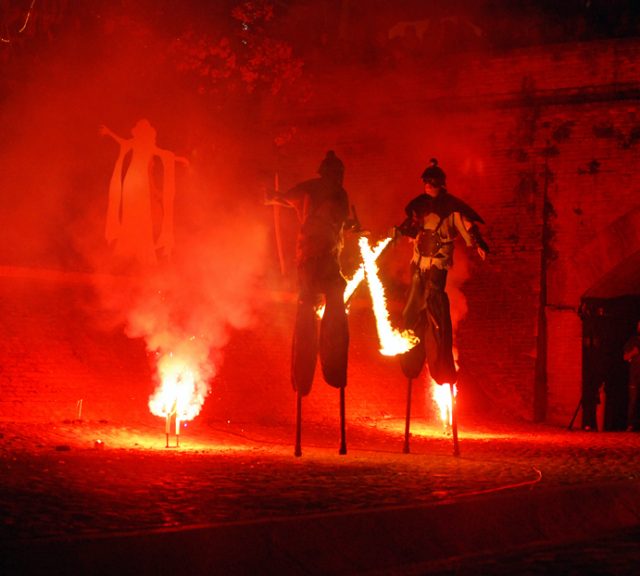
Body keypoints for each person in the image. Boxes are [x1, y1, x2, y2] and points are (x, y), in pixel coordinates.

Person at [394, 158, 489, 384]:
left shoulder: (452, 208)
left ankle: (438, 349)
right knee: (414, 302)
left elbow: (467, 225)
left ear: (440, 183)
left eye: (432, 181)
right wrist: (396, 234)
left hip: (438, 263)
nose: (428, 185)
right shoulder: (419, 206)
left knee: (435, 298)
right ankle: (411, 344)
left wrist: (478, 243)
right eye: (426, 181)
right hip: (419, 262)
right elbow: (409, 226)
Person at [268, 150, 352, 395]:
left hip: (321, 257)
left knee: (328, 296)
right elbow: (287, 199)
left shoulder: (332, 192)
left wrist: (274, 197)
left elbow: (286, 199)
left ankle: (330, 365)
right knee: (314, 303)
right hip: (314, 257)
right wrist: (274, 197)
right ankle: (312, 370)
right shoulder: (327, 191)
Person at [100, 119, 188, 267]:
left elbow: (164, 154)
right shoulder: (135, 143)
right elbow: (122, 142)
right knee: (130, 212)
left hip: (139, 182)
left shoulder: (147, 146)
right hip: (133, 180)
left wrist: (179, 159)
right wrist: (109, 133)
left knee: (142, 213)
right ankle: (127, 248)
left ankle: (140, 250)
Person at [623, 320, 640, 431]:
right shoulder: (632, 341)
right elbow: (624, 357)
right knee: (633, 401)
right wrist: (633, 353)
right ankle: (630, 425)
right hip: (635, 376)